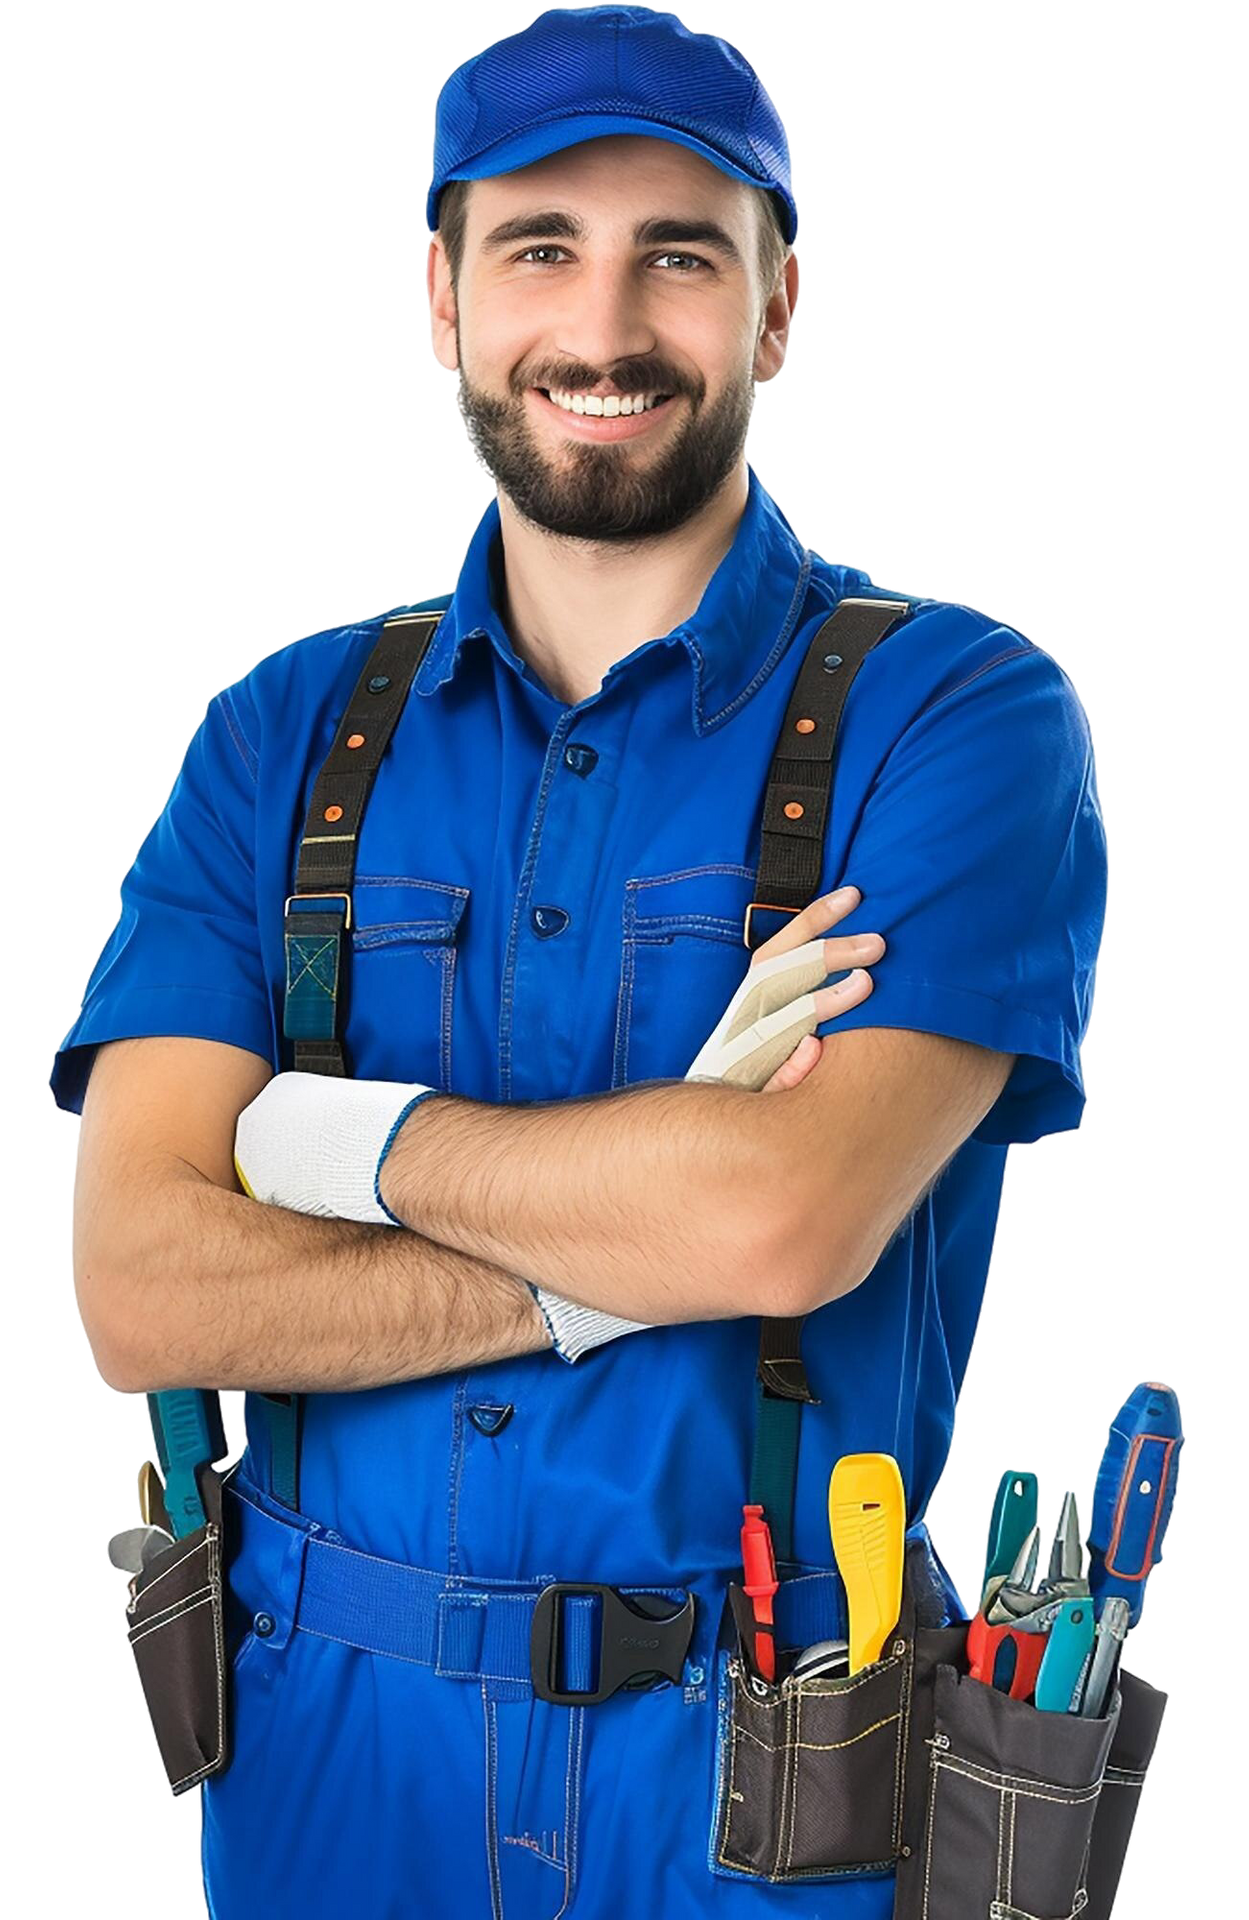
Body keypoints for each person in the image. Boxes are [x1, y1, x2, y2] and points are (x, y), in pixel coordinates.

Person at [52, 9, 1109, 1915]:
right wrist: (633, 1230)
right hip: (323, 1771)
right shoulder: (278, 734)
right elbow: (137, 1288)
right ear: (443, 301)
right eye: (540, 246)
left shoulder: (961, 716)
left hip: (764, 1771)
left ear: (776, 309)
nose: (605, 328)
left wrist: (327, 1146)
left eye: (679, 255)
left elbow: (780, 1225)